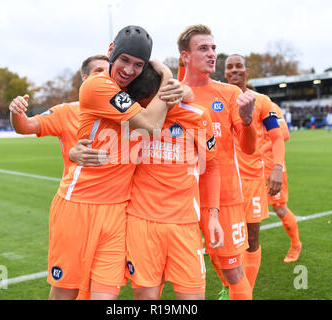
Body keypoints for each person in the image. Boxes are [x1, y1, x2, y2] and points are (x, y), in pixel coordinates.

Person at [47, 25, 184, 300]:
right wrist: (168, 74)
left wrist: (175, 86)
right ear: (111, 51)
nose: (129, 70)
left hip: (117, 211)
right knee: (66, 292)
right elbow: (150, 127)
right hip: (78, 207)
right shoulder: (98, 85)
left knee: (105, 296)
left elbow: (187, 96)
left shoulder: (135, 90)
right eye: (124, 60)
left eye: (138, 64)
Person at [125, 64, 224, 300]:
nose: (147, 110)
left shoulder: (196, 116)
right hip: (142, 223)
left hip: (185, 224)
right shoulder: (130, 116)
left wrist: (212, 216)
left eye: (149, 102)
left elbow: (211, 166)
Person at [177, 24, 257, 300]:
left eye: (213, 48)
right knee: (184, 274)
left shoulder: (230, 94)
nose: (212, 54)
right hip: (181, 200)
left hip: (224, 197)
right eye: (203, 48)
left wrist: (247, 122)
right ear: (185, 56)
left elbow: (248, 149)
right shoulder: (171, 96)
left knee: (234, 271)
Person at [224, 54, 285, 294]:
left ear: (247, 71)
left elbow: (277, 137)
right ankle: (230, 287)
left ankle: (244, 292)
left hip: (251, 182)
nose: (234, 70)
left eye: (239, 66)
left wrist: (277, 168)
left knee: (251, 240)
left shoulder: (262, 101)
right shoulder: (217, 97)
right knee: (224, 242)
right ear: (225, 72)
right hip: (224, 182)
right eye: (230, 67)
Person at [8, 55, 110, 178]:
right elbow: (25, 126)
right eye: (98, 71)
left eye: (108, 72)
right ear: (85, 78)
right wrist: (16, 111)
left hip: (115, 194)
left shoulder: (127, 112)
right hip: (77, 193)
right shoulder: (65, 112)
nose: (104, 75)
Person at [260, 102, 302, 263]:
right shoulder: (233, 102)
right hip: (249, 166)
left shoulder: (269, 105)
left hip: (272, 165)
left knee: (279, 207)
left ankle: (296, 244)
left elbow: (284, 133)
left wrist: (261, 149)